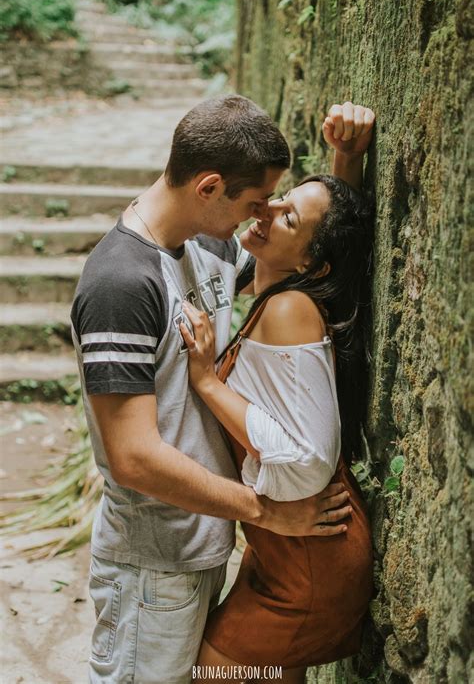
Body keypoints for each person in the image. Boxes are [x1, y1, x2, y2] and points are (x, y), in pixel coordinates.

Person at [71, 95, 360, 684]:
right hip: (152, 566)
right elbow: (132, 457)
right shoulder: (121, 284)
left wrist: (345, 161)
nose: (261, 216)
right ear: (209, 188)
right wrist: (268, 513)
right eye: (254, 202)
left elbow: (306, 254)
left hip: (203, 546)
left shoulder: (208, 247)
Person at [179, 105, 375, 683]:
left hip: (308, 560)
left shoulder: (290, 309)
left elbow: (303, 459)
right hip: (286, 555)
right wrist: (346, 161)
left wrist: (206, 382)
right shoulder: (281, 295)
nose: (269, 207)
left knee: (212, 674)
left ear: (312, 262)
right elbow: (331, 232)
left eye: (287, 217)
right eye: (283, 197)